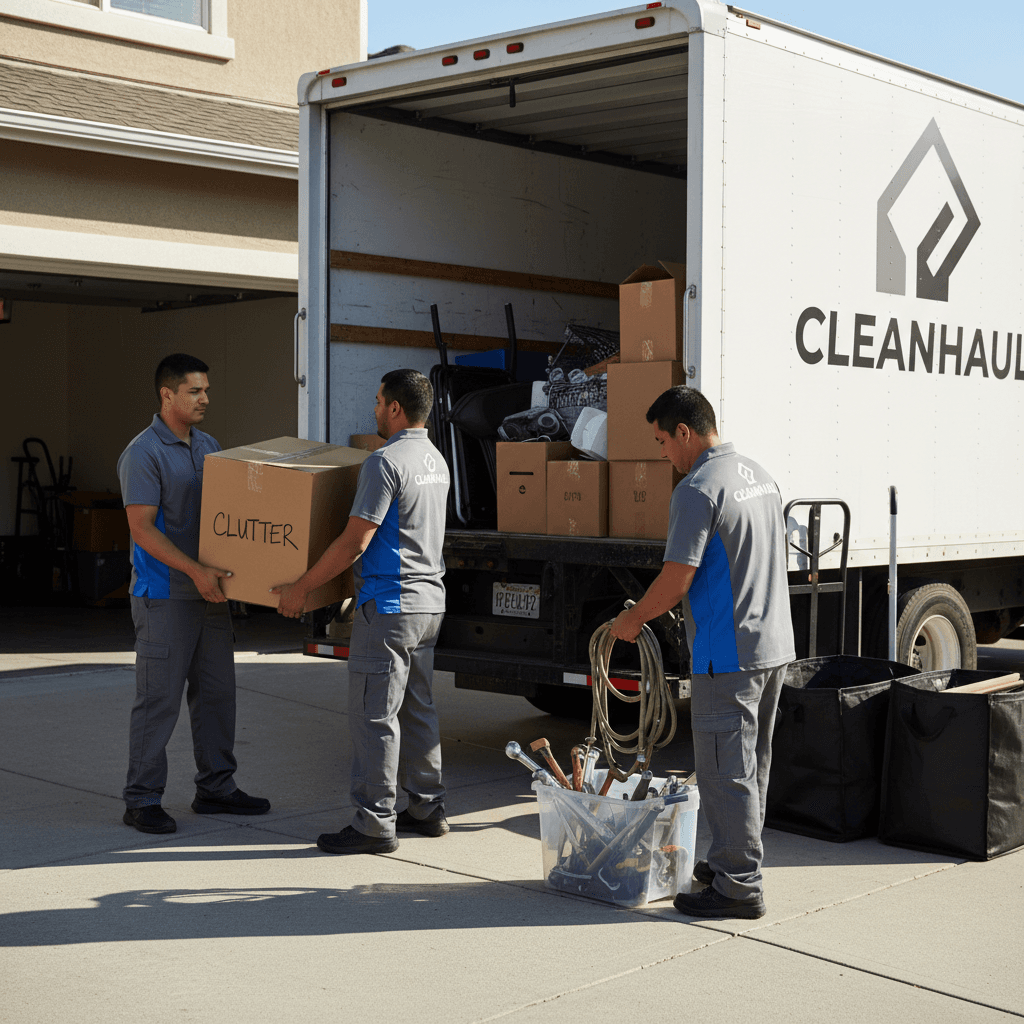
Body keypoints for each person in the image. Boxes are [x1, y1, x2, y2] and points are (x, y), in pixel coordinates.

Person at [609, 386, 794, 920]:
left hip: (727, 651)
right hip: (772, 645)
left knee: (723, 771)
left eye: (663, 441)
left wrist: (633, 619)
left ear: (686, 433)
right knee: (752, 765)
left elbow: (674, 580)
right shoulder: (758, 475)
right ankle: (731, 860)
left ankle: (739, 886)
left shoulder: (697, 489)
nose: (663, 453)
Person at [271, 369, 450, 855]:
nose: (373, 410)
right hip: (429, 603)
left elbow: (356, 539)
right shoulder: (436, 459)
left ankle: (374, 822)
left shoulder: (384, 463)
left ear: (395, 408)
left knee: (375, 715)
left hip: (390, 607)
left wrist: (302, 589)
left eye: (377, 402)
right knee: (418, 709)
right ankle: (427, 807)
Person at [117, 353, 270, 834]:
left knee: (217, 696)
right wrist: (195, 571)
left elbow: (226, 520)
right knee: (158, 700)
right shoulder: (143, 453)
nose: (206, 398)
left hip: (210, 594)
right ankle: (141, 798)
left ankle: (216, 789)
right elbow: (141, 529)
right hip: (164, 595)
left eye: (207, 390)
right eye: (194, 391)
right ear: (167, 395)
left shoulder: (209, 446)